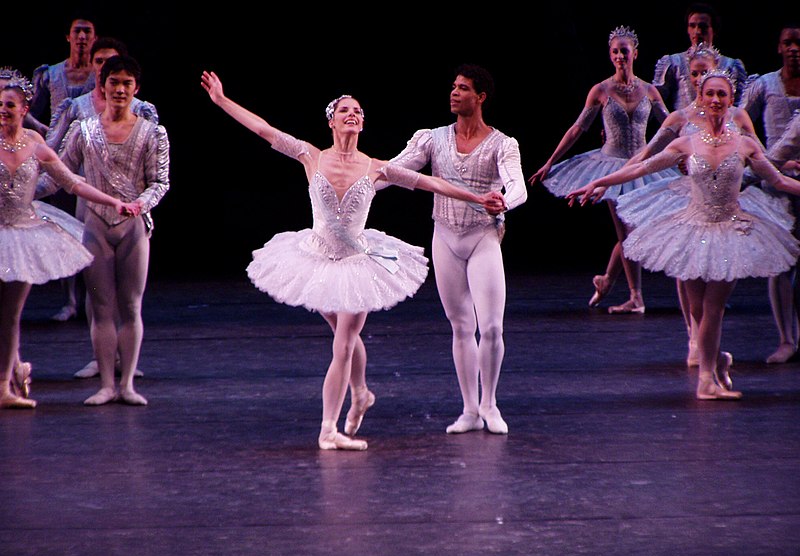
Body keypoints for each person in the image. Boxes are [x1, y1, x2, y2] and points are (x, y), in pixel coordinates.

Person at [200, 71, 505, 450]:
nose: (353, 114)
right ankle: (360, 392)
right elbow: (264, 130)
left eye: (358, 110)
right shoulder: (309, 154)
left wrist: (478, 199)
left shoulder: (376, 166)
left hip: (359, 263)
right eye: (345, 109)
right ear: (331, 120)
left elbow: (431, 183)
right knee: (344, 335)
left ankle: (329, 428)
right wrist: (222, 101)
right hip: (316, 258)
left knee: (343, 342)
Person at [567, 70, 800, 400]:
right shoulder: (686, 143)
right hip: (693, 226)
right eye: (711, 94)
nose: (716, 100)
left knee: (714, 306)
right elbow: (640, 168)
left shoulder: (745, 144)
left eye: (722, 94)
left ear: (730, 100)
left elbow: (778, 181)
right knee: (697, 310)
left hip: (730, 228)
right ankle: (716, 359)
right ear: (701, 100)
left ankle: (706, 381)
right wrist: (599, 182)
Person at [390, 64, 526, 435]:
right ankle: (468, 409)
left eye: (463, 88)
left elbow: (518, 186)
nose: (454, 92)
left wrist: (505, 202)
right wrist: (354, 178)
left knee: (493, 327)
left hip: (482, 236)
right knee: (461, 326)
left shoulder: (502, 144)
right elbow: (395, 170)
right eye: (453, 86)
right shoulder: (432, 139)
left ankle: (489, 403)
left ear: (480, 97)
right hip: (445, 237)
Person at [37, 55, 170, 407]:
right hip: (95, 224)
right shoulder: (85, 130)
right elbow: (60, 175)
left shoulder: (152, 132)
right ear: (103, 86)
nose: (121, 89)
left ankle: (127, 383)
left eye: (128, 83)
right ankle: (107, 384)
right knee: (101, 304)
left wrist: (140, 205)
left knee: (130, 304)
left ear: (136, 89)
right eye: (114, 82)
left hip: (133, 227)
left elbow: (160, 182)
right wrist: (21, 193)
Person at [0, 73, 133, 408]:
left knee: (10, 315)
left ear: (24, 108)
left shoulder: (37, 145)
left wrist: (112, 201)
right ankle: (14, 368)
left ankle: (5, 385)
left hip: (22, 234)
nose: (3, 110)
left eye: (9, 105)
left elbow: (73, 183)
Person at [530, 27, 674, 314]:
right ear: (610, 55)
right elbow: (577, 129)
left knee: (633, 232)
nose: (621, 55)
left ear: (636, 53)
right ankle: (635, 296)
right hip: (611, 166)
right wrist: (550, 161)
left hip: (642, 166)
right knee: (628, 233)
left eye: (625, 50)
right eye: (615, 51)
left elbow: (671, 125)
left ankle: (608, 280)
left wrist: (694, 147)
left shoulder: (649, 90)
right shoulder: (601, 90)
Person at [741, 23, 800, 363]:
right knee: (780, 264)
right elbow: (738, 123)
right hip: (773, 185)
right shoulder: (764, 85)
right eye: (788, 43)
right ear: (779, 47)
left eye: (799, 43)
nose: (794, 48)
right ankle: (786, 339)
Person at [653, 3, 747, 110]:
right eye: (692, 26)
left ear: (714, 30)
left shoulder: (731, 65)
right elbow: (656, 101)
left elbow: (739, 106)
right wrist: (674, 123)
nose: (697, 32)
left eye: (703, 26)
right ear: (687, 29)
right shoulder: (675, 62)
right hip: (684, 125)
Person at [30, 15, 98, 132]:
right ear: (68, 37)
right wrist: (47, 133)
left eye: (87, 31)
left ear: (95, 38)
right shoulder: (50, 74)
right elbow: (30, 112)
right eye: (77, 31)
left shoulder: (101, 74)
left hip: (91, 144)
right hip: (55, 146)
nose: (82, 36)